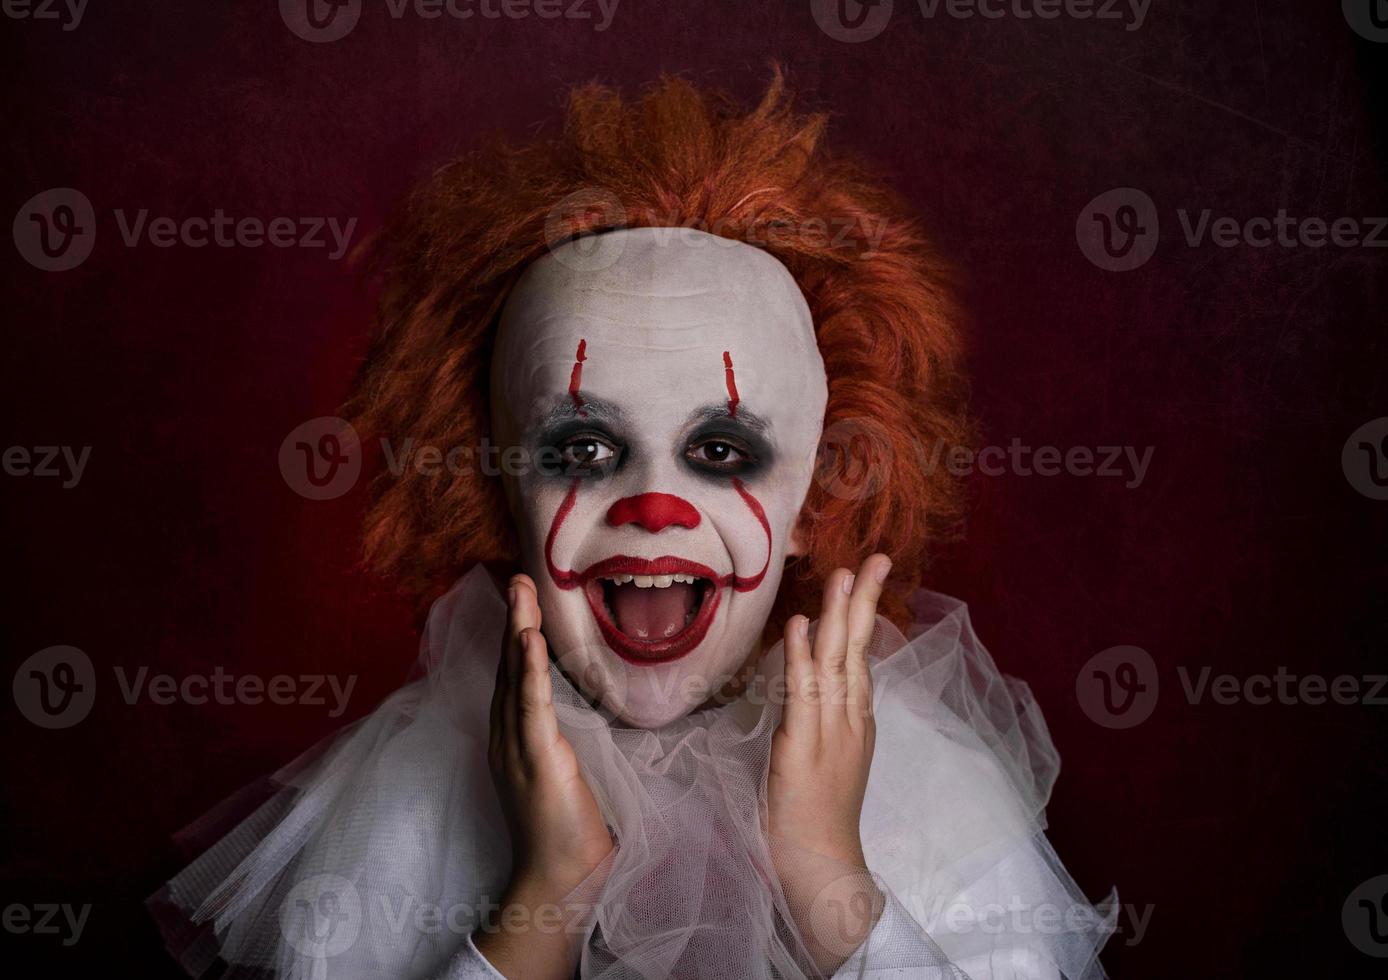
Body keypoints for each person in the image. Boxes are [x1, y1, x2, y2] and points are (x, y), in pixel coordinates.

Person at [152, 72, 1114, 980]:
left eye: (726, 451)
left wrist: (829, 882)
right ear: (493, 490)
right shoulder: (402, 805)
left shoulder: (936, 801)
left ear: (814, 500)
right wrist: (538, 907)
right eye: (581, 450)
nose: (655, 512)